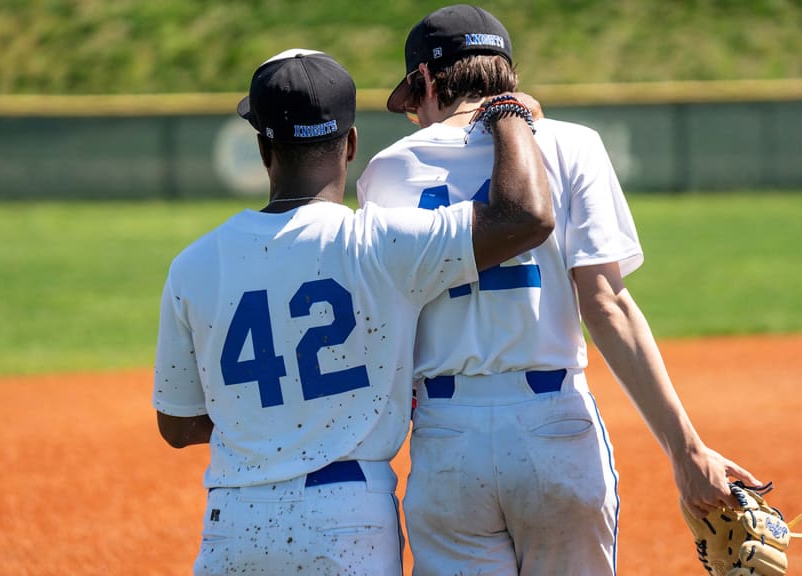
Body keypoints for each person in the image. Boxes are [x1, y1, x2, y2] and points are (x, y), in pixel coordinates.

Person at [357, 5, 762, 576]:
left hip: (449, 438)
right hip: (555, 427)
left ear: (426, 80)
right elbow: (606, 304)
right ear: (507, 74)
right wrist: (686, 450)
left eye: (412, 100)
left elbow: (385, 326)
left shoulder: (385, 171)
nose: (415, 118)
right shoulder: (573, 145)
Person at [152, 47, 553, 576]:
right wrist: (507, 112)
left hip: (233, 520)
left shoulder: (193, 265)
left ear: (260, 148)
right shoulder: (381, 243)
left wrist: (269, 418)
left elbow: (177, 425)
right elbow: (524, 216)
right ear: (351, 144)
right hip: (346, 518)